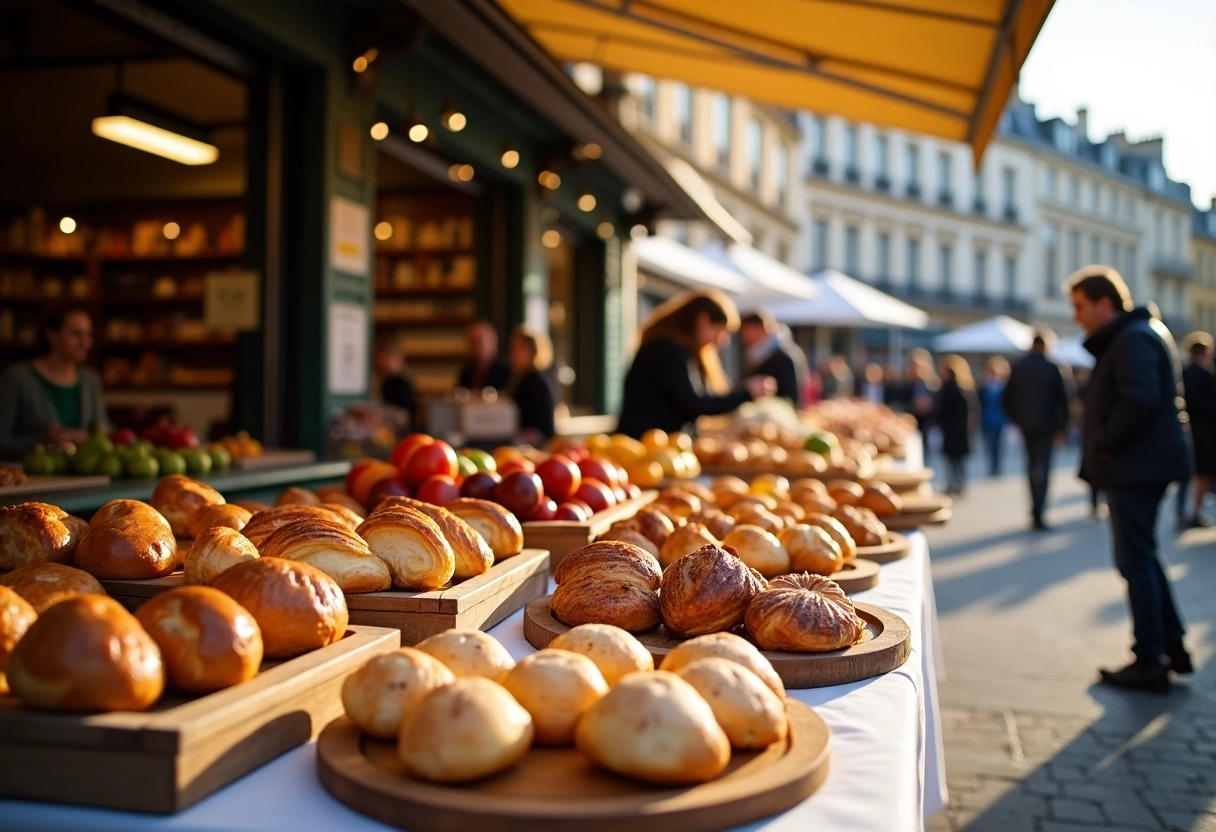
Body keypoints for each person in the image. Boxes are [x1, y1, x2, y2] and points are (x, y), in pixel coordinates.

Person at [1069, 265, 1192, 692]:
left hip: (1137, 465)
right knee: (1144, 556)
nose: (1076, 316)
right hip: (1144, 463)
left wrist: (1104, 442)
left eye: (1081, 306)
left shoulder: (1134, 337)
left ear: (1105, 303)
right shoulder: (1140, 333)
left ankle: (1149, 658)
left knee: (1135, 559)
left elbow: (1139, 398)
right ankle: (1170, 647)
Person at [617, 290, 775, 438]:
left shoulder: (678, 349)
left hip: (658, 445)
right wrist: (746, 392)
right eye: (721, 331)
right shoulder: (667, 349)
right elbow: (694, 405)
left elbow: (696, 402)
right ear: (703, 320)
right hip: (643, 447)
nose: (722, 341)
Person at [0, 302, 107, 460]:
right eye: (76, 334)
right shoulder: (17, 378)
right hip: (32, 478)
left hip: (84, 476)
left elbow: (104, 430)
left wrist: (90, 440)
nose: (86, 343)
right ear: (52, 335)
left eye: (88, 334)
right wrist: (43, 442)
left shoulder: (91, 380)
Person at [1001, 333, 1070, 530]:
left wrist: (1017, 420)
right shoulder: (1052, 368)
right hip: (1047, 427)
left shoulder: (1019, 367)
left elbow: (1007, 399)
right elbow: (1063, 402)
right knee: (1044, 469)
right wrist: (1061, 427)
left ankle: (1034, 509)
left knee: (1031, 468)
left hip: (1027, 426)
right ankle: (1039, 510)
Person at [1179, 331, 1216, 526]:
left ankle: (1184, 512)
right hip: (1203, 432)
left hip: (1192, 429)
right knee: (1201, 473)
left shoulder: (1185, 372)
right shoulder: (1200, 373)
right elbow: (1200, 402)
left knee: (1189, 474)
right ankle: (1193, 513)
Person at [738, 308, 807, 406]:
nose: (743, 336)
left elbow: (790, 395)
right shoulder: (762, 353)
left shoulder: (782, 356)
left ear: (760, 328)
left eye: (745, 331)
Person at [505, 325, 559, 444]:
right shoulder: (518, 378)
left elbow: (545, 427)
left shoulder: (536, 381)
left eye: (517, 350)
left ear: (531, 352)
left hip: (533, 446)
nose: (512, 355)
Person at [934, 354, 977, 495]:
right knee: (952, 460)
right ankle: (955, 482)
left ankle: (958, 482)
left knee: (956, 460)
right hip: (952, 429)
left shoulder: (955, 389)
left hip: (956, 430)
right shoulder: (954, 388)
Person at [374, 337, 417, 430]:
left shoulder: (400, 382)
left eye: (386, 358)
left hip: (400, 431)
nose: (381, 362)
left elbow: (404, 415)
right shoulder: (385, 381)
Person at [457, 320, 511, 392]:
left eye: (479, 341)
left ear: (492, 341)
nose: (475, 347)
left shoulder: (508, 371)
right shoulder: (466, 371)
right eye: (471, 342)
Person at [979, 356, 1009, 476]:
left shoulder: (1003, 386)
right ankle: (992, 465)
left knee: (999, 445)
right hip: (987, 419)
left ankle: (996, 466)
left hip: (1000, 419)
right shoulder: (985, 386)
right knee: (989, 445)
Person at [907, 348, 938, 463]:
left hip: (927, 418)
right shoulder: (910, 382)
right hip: (914, 417)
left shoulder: (931, 383)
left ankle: (925, 461)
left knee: (925, 443)